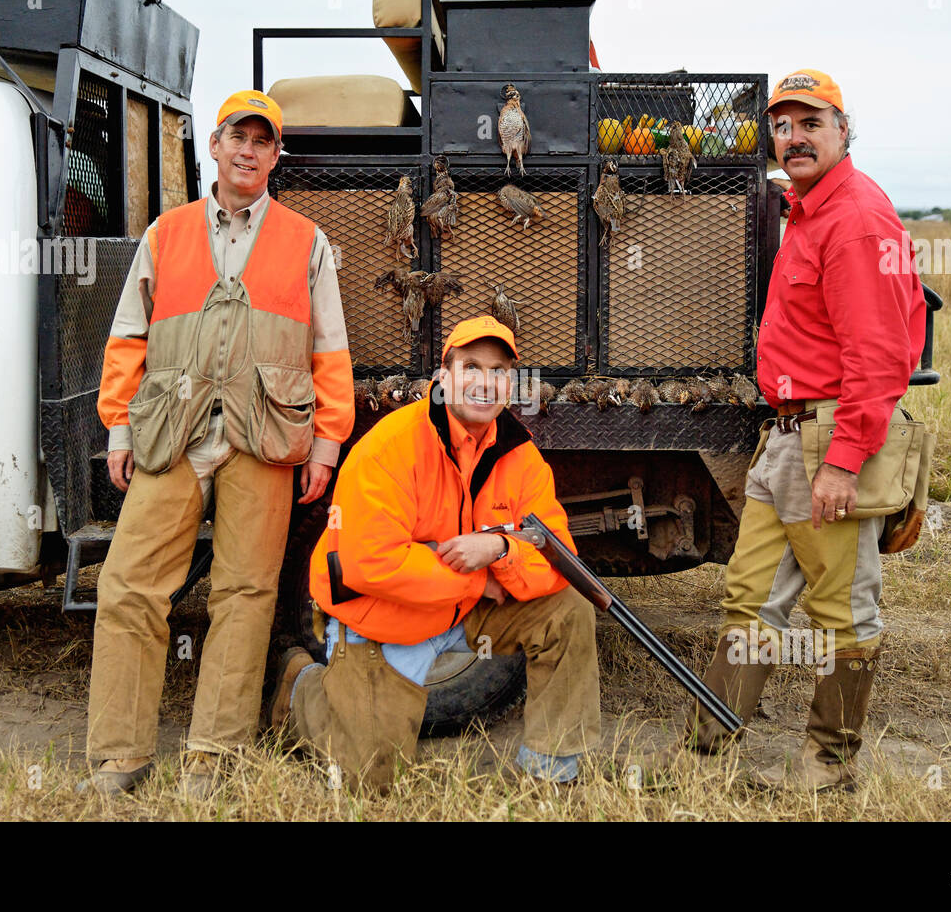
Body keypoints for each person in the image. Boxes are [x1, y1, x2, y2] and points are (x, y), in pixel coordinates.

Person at [79, 90, 354, 797]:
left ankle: (214, 754)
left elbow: (330, 348)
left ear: (275, 156)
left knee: (245, 592)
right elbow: (128, 335)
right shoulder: (165, 234)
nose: (249, 151)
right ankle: (118, 755)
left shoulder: (307, 241)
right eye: (239, 135)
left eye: (264, 142)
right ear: (217, 144)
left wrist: (326, 445)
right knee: (128, 585)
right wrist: (119, 423)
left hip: (264, 437)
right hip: (172, 432)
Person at [684, 69, 926, 791]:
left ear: (843, 130)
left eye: (811, 123)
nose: (794, 137)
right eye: (783, 125)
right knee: (750, 596)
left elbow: (880, 355)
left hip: (828, 439)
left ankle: (829, 763)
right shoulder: (810, 209)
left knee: (840, 608)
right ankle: (706, 752)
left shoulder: (855, 217)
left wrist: (845, 462)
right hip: (786, 437)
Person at [268, 316, 601, 790]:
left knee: (567, 611)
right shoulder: (391, 445)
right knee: (371, 779)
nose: (484, 382)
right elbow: (369, 563)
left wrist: (501, 547)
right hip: (383, 618)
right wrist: (476, 580)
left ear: (511, 384)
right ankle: (301, 688)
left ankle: (553, 771)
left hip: (462, 612)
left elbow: (557, 556)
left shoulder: (520, 455)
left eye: (499, 371)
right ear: (442, 380)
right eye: (470, 367)